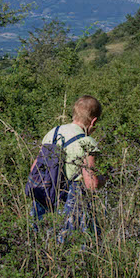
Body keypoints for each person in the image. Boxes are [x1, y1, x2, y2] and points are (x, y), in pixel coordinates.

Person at [30, 95, 105, 237]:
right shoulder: (87, 142)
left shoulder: (53, 133)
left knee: (43, 239)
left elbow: (34, 168)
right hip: (73, 202)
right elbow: (91, 184)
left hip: (47, 196)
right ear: (94, 121)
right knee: (74, 246)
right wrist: (104, 178)